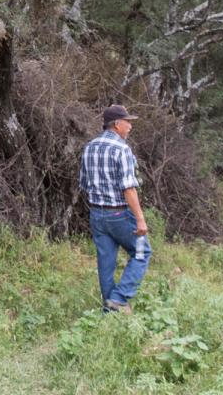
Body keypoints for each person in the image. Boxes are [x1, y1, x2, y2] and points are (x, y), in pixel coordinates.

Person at [78, 104, 151, 314]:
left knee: (106, 264)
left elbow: (83, 183)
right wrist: (140, 219)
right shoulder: (122, 149)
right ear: (117, 125)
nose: (130, 126)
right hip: (119, 214)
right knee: (142, 251)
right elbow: (128, 188)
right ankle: (118, 299)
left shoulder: (89, 147)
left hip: (97, 214)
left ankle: (109, 312)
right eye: (128, 122)